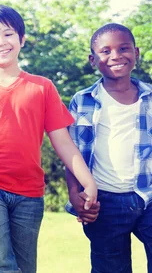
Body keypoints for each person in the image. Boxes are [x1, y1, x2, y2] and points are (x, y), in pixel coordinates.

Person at [0, 5, 97, 273]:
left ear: (22, 40)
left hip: (29, 193)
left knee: (25, 268)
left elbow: (62, 142)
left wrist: (88, 182)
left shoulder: (42, 87)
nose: (0, 42)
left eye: (8, 34)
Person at [66, 23, 152, 273]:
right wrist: (75, 193)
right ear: (93, 60)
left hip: (148, 196)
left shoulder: (149, 97)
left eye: (123, 48)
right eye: (106, 51)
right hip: (104, 202)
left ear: (135, 52)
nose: (115, 56)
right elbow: (72, 153)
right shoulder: (83, 101)